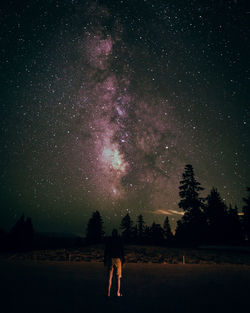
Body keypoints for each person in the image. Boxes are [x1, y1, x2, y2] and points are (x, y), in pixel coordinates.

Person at [104, 228, 125, 297]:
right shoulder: (119, 240)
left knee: (109, 277)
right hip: (118, 259)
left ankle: (108, 293)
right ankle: (117, 293)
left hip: (111, 259)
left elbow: (106, 250)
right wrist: (123, 259)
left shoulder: (109, 240)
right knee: (118, 277)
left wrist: (105, 260)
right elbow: (122, 250)